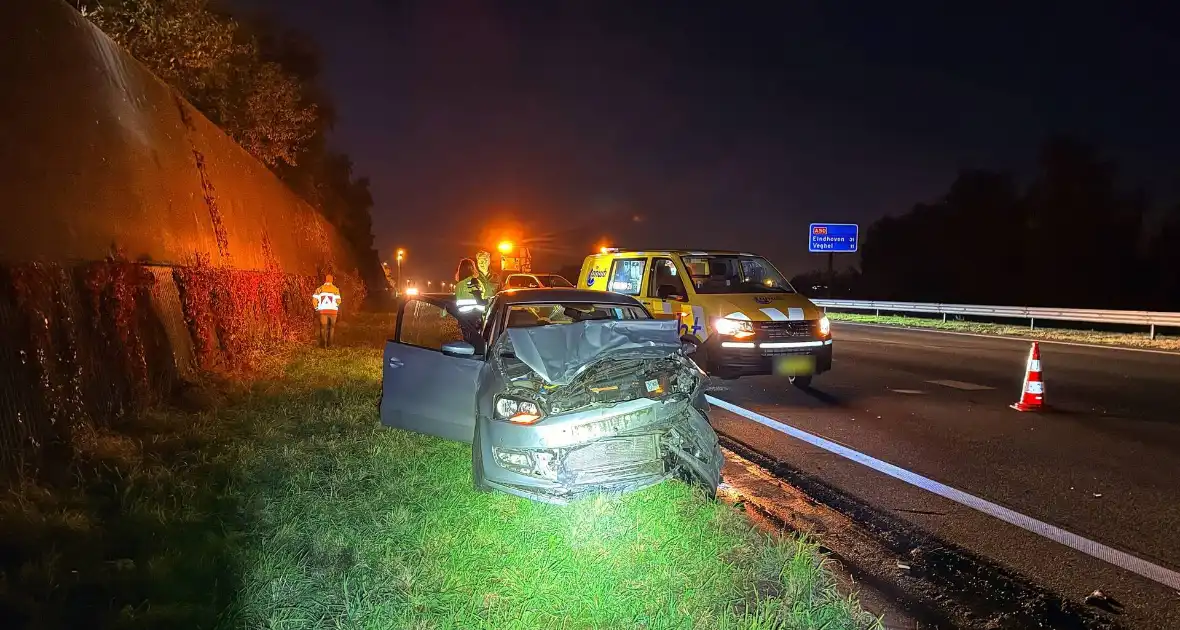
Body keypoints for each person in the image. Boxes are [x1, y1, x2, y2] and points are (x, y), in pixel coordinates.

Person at [312, 274, 342, 348]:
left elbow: (314, 299)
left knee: (323, 328)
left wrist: (316, 308)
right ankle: (330, 345)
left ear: (325, 280)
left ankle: (322, 345)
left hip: (323, 312)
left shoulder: (320, 289)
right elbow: (339, 301)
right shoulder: (335, 289)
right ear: (332, 280)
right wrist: (336, 307)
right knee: (331, 328)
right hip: (333, 312)